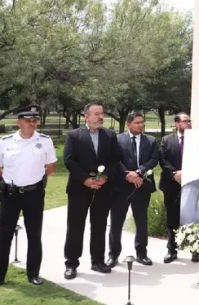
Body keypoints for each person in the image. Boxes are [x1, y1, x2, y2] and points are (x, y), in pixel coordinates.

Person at [0, 105, 56, 290]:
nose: (32, 123)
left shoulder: (45, 141)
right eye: (27, 120)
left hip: (34, 194)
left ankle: (33, 274)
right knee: (4, 237)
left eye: (34, 120)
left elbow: (50, 168)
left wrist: (32, 181)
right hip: (10, 195)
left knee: (34, 235)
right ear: (19, 122)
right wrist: (8, 182)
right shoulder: (5, 142)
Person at [62, 102, 120, 280]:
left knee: (100, 226)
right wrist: (86, 179)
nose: (100, 117)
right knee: (75, 227)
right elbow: (69, 160)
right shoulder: (74, 135)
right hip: (79, 189)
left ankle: (97, 261)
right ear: (86, 116)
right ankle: (71, 264)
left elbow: (115, 160)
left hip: (102, 189)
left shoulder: (110, 135)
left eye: (102, 113)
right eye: (96, 114)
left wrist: (105, 177)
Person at [107, 111, 159, 268]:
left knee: (141, 222)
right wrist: (127, 174)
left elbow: (154, 159)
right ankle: (113, 255)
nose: (140, 125)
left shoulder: (150, 140)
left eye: (142, 122)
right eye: (137, 122)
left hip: (142, 187)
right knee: (116, 223)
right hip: (120, 188)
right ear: (128, 124)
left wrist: (138, 172)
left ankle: (141, 254)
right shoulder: (117, 139)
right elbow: (114, 159)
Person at [159, 112, 199, 263]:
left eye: (190, 121)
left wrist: (185, 173)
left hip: (192, 184)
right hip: (171, 184)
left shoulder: (196, 139)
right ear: (176, 123)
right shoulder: (166, 140)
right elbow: (162, 159)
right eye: (185, 121)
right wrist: (175, 173)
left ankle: (195, 249)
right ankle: (172, 250)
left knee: (192, 218)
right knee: (172, 218)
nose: (188, 123)